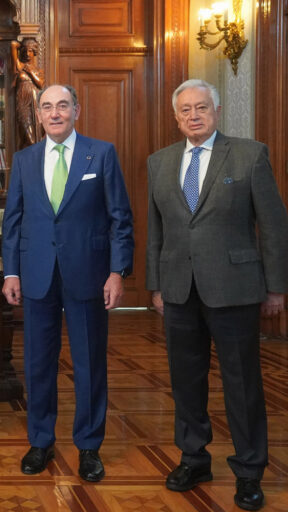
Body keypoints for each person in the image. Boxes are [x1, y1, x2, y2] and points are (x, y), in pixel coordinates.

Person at [146, 79, 288, 511]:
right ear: (176, 117)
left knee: (242, 384)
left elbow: (273, 226)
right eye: (186, 110)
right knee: (186, 380)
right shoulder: (159, 162)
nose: (194, 115)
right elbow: (156, 230)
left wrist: (276, 288)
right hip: (178, 289)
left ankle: (249, 471)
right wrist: (155, 284)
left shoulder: (249, 155)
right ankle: (194, 459)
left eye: (202, 107)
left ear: (217, 111)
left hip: (234, 288)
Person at [1, 84, 134, 481]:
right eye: (47, 107)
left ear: (77, 110)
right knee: (37, 363)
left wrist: (117, 271)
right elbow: (13, 221)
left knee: (89, 363)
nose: (55, 113)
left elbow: (120, 218)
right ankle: (40, 441)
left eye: (62, 106)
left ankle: (89, 446)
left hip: (89, 274)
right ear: (39, 115)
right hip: (36, 275)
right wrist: (11, 271)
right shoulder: (24, 159)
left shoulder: (101, 153)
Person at [11, 38, 45, 147]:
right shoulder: (20, 66)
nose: (27, 53)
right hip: (23, 104)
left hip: (35, 103)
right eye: (24, 50)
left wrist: (30, 71)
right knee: (29, 138)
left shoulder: (39, 71)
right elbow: (13, 44)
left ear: (34, 52)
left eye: (30, 50)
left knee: (36, 136)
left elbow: (40, 83)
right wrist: (18, 46)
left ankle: (27, 156)